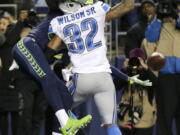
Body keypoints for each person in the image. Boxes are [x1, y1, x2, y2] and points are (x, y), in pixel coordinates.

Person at [46, 0, 151, 134]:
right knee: (111, 125)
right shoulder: (96, 10)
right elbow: (128, 5)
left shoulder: (60, 21)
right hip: (104, 79)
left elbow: (49, 53)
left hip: (81, 78)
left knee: (59, 110)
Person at [11, 0, 92, 135]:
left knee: (65, 95)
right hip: (26, 46)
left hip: (37, 57)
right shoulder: (58, 11)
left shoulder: (75, 32)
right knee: (47, 79)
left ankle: (59, 132)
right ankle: (65, 122)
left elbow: (49, 57)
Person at [142, 1, 180, 135]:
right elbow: (150, 37)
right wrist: (158, 18)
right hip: (166, 77)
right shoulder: (159, 21)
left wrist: (176, 16)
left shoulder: (177, 17)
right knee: (164, 118)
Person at [118, 48, 157, 135]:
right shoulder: (126, 74)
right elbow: (116, 86)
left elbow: (155, 84)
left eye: (139, 60)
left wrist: (145, 68)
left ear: (144, 60)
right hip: (125, 118)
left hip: (144, 120)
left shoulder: (148, 73)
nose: (136, 62)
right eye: (133, 59)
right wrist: (123, 69)